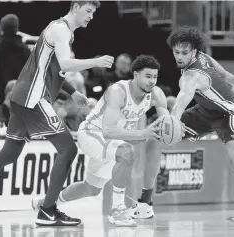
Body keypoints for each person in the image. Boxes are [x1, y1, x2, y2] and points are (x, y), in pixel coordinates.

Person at [0, 0, 115, 226]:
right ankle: (48, 209)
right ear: (75, 7)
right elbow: (64, 62)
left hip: (22, 97)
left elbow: (54, 68)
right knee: (68, 149)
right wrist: (95, 62)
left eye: (93, 13)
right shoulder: (60, 30)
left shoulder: (62, 31)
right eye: (88, 11)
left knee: (9, 152)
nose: (91, 16)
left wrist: (72, 92)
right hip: (33, 99)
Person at [139, 26, 234, 225]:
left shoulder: (192, 74)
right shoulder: (200, 58)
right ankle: (145, 203)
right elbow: (226, 76)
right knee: (154, 142)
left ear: (194, 51)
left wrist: (173, 119)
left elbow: (184, 98)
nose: (179, 57)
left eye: (184, 53)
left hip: (229, 113)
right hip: (204, 112)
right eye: (176, 52)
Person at [32, 55, 169, 226]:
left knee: (91, 188)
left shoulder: (156, 94)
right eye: (147, 76)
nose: (152, 81)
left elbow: (168, 123)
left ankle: (45, 203)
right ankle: (117, 209)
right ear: (135, 75)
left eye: (155, 77)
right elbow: (108, 130)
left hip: (113, 141)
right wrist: (143, 133)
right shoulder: (117, 92)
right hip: (92, 133)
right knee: (126, 153)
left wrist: (171, 129)